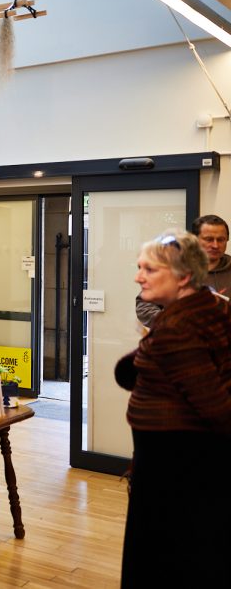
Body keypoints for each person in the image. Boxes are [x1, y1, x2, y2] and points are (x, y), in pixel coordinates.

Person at [115, 230, 231, 588]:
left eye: (149, 269)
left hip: (174, 469)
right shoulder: (212, 305)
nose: (138, 277)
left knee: (166, 561)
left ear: (183, 277)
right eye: (139, 268)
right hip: (191, 464)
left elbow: (218, 410)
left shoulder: (177, 328)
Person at [136, 214, 231, 327]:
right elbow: (145, 305)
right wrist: (172, 322)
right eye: (209, 239)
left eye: (221, 240)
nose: (215, 245)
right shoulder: (177, 267)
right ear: (195, 239)